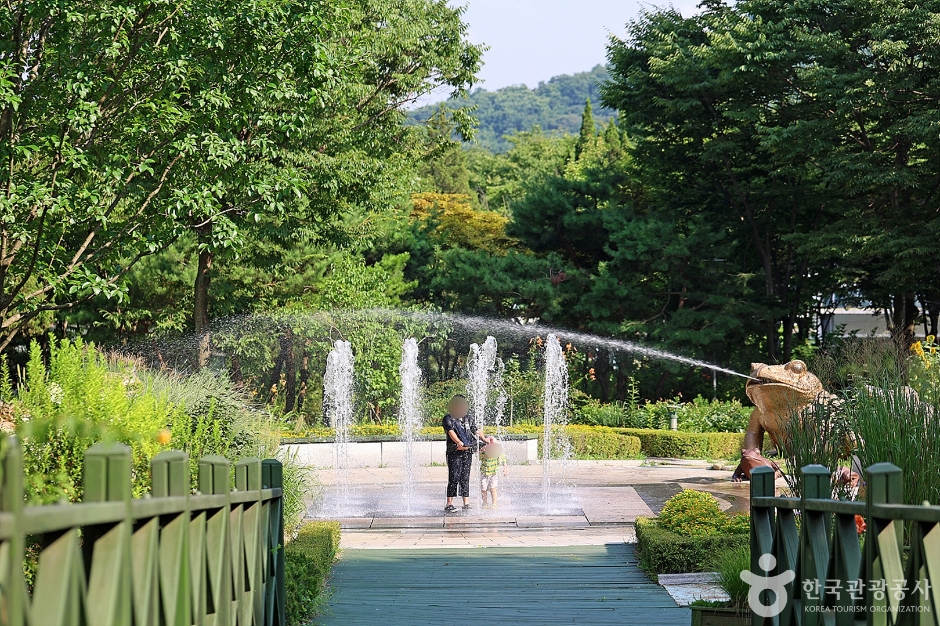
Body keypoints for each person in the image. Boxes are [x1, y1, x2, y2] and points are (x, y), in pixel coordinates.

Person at [442, 395, 486, 513]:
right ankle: (449, 503)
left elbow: (476, 430)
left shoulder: (468, 418)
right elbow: (451, 432)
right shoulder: (448, 418)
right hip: (454, 452)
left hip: (467, 451)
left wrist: (485, 440)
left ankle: (466, 503)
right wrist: (458, 442)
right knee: (454, 476)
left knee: (465, 477)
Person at [479, 438, 508, 509]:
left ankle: (494, 503)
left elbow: (504, 459)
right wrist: (481, 451)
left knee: (493, 488)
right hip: (484, 473)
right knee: (483, 488)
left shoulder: (497, 452)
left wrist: (505, 468)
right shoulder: (484, 452)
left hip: (494, 473)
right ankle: (484, 503)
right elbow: (479, 457)